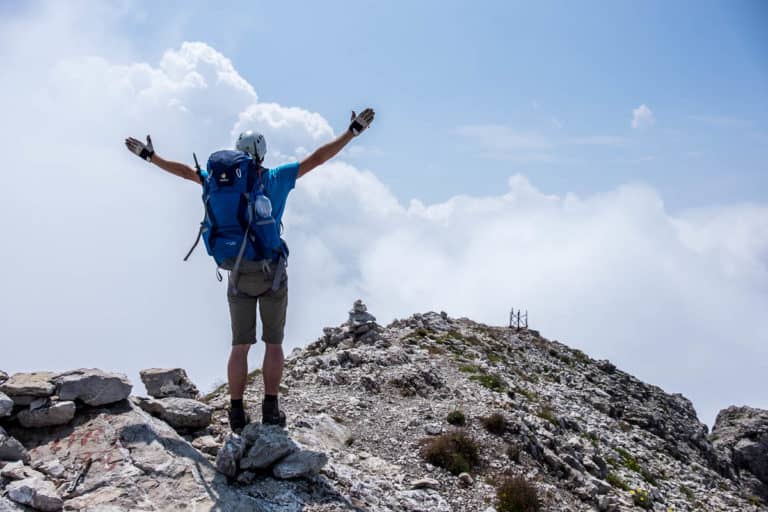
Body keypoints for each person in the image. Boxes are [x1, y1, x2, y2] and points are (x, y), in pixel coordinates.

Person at [125, 108, 375, 430]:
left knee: (240, 346)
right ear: (261, 153)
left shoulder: (216, 182)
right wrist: (351, 131)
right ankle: (271, 410)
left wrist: (150, 156)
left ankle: (236, 412)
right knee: (273, 343)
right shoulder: (276, 178)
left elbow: (187, 172)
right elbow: (318, 158)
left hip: (237, 272)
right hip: (271, 273)